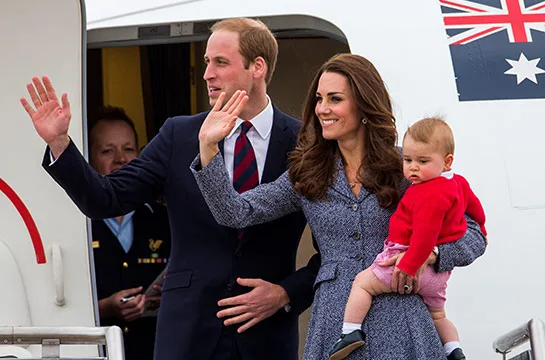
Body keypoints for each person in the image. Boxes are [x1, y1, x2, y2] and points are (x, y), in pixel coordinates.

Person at [20, 17, 320, 360]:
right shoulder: (179, 136)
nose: (208, 73)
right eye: (207, 62)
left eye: (220, 62)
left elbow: (336, 250)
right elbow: (105, 198)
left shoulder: (305, 144)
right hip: (187, 334)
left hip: (266, 338)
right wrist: (60, 143)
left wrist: (285, 293)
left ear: (257, 67)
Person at [192, 53, 487, 359]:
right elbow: (236, 212)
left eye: (335, 99)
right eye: (319, 99)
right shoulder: (307, 173)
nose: (323, 109)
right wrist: (208, 147)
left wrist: (433, 254)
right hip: (334, 325)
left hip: (404, 320)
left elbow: (474, 235)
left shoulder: (407, 165)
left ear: (363, 106)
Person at [329, 117, 487, 360]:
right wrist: (483, 229)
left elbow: (424, 237)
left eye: (422, 161)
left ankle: (350, 331)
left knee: (363, 284)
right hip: (439, 275)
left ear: (447, 161)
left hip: (407, 261)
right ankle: (453, 348)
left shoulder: (427, 194)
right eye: (408, 160)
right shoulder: (457, 182)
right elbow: (475, 210)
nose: (413, 167)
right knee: (438, 315)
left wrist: (408, 266)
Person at [88, 106, 171, 360]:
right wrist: (105, 308)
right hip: (96, 352)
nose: (120, 159)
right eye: (107, 151)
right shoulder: (77, 224)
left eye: (128, 149)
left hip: (156, 350)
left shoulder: (166, 220)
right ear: (90, 159)